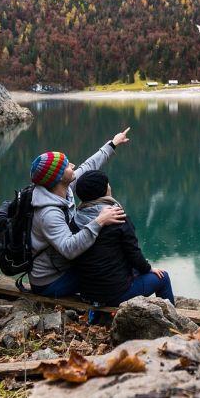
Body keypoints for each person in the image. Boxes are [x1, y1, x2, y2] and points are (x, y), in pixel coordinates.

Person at [28, 128, 131, 297]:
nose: (73, 165)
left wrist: (113, 143)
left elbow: (88, 165)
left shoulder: (62, 188)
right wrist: (99, 221)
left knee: (108, 264)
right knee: (108, 272)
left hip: (62, 266)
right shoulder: (48, 214)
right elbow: (69, 248)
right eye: (67, 165)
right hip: (50, 281)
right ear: (59, 176)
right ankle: (101, 312)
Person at [71, 170, 174, 306]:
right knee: (163, 277)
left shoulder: (76, 218)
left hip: (87, 293)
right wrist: (148, 269)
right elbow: (133, 253)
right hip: (114, 294)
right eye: (107, 184)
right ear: (103, 190)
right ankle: (174, 321)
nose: (109, 186)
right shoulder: (117, 217)